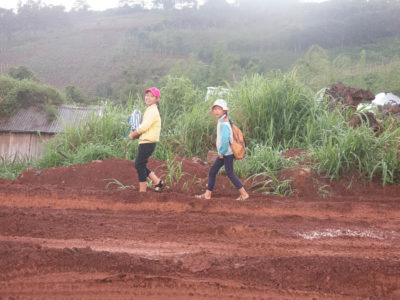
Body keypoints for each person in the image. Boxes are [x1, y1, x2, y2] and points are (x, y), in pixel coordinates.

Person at [196, 99, 249, 201]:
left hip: (226, 153)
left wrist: (221, 153)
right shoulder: (223, 121)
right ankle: (207, 195)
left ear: (224, 111)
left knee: (229, 173)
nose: (216, 111)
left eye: (219, 109)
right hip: (226, 153)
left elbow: (225, 140)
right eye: (215, 109)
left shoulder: (224, 124)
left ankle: (244, 194)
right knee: (213, 171)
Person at [129, 87, 163, 193]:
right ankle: (157, 182)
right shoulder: (150, 109)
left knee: (139, 165)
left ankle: (142, 191)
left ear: (156, 99)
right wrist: (137, 135)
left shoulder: (153, 110)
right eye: (147, 95)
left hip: (148, 142)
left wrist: (133, 134)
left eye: (151, 96)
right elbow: (145, 127)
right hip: (146, 141)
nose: (147, 97)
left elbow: (144, 127)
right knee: (140, 164)